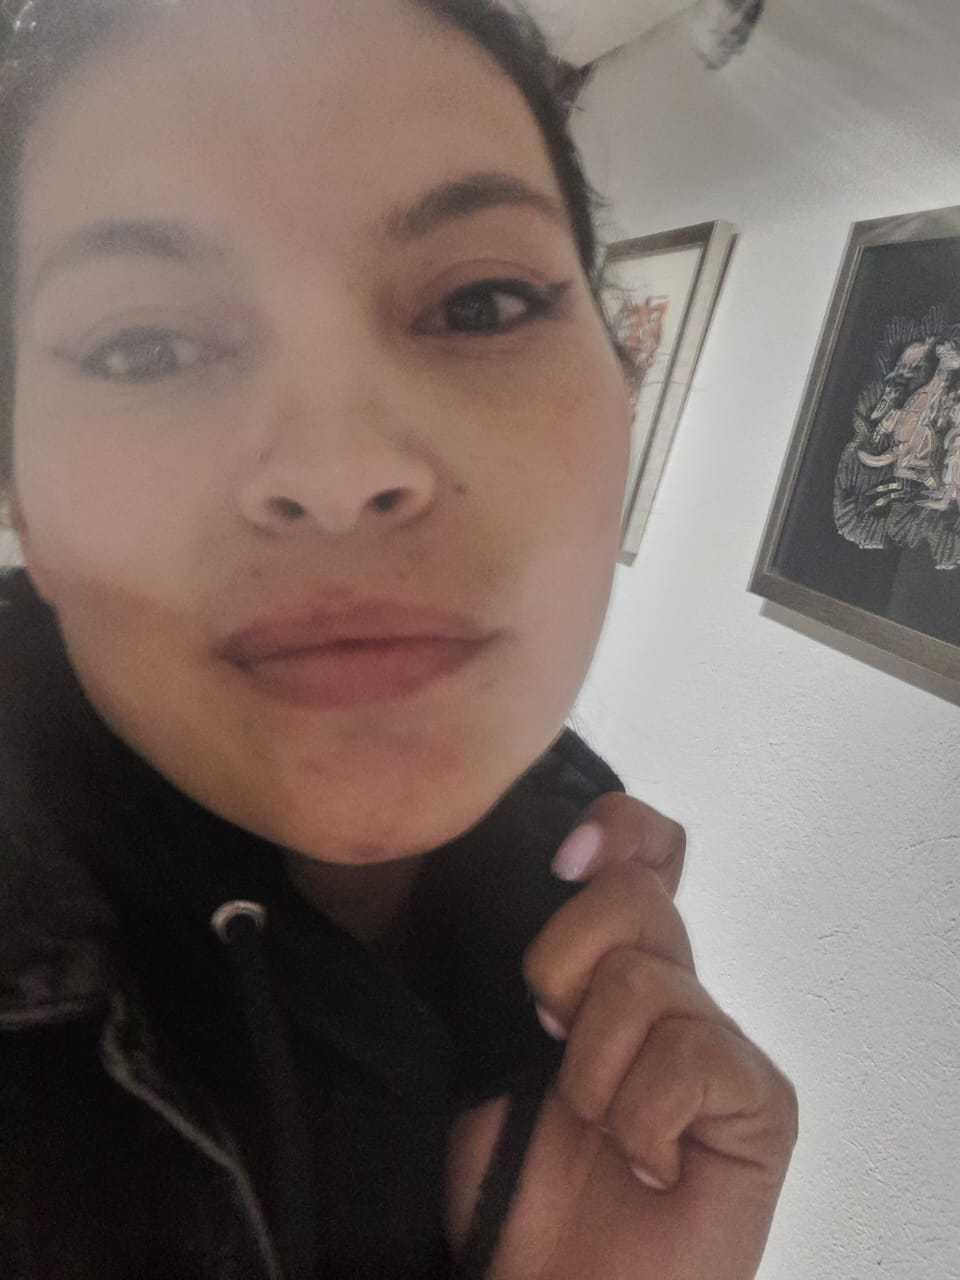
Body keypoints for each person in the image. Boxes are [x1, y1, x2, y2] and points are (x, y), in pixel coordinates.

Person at [0, 0, 798, 1277]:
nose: (338, 471)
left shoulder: (582, 916)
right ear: (20, 496)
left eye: (481, 303)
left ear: (624, 386)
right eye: (143, 344)